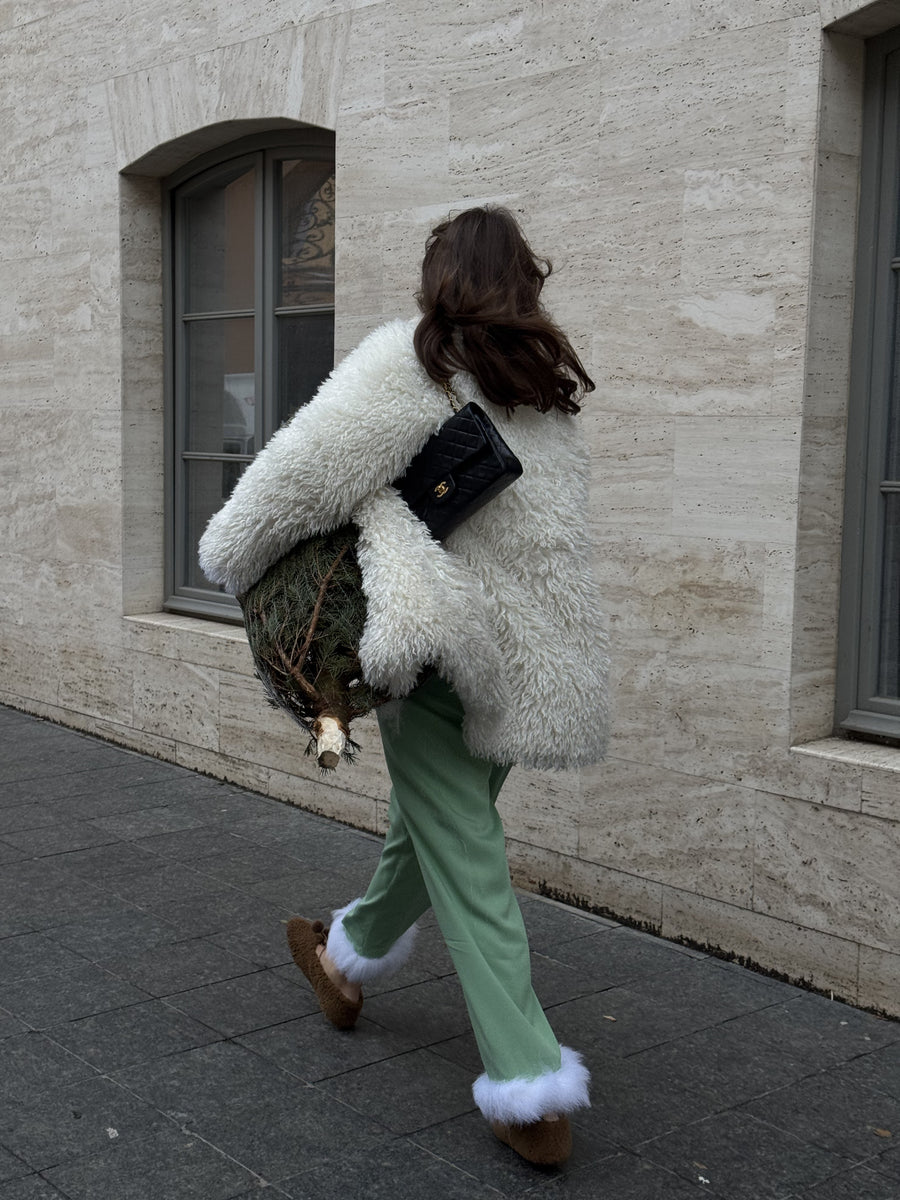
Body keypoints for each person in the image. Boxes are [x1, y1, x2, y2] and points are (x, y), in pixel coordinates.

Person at [198, 206, 610, 1166]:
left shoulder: (414, 365)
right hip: (526, 666)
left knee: (466, 858)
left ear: (440, 279)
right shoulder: (542, 395)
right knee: (437, 821)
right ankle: (343, 960)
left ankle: (528, 1086)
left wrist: (228, 555)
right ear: (526, 284)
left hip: (435, 651)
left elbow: (298, 474)